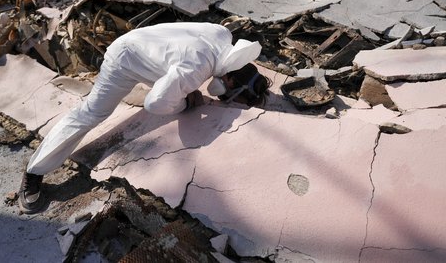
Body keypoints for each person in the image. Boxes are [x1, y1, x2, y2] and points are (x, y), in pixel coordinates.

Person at [18, 22, 271, 214]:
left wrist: (182, 84)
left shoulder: (221, 34)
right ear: (227, 79)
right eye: (230, 94)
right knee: (92, 113)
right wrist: (184, 103)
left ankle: (169, 84)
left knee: (171, 82)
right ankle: (34, 171)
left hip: (142, 43)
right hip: (123, 61)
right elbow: (155, 103)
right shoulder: (195, 71)